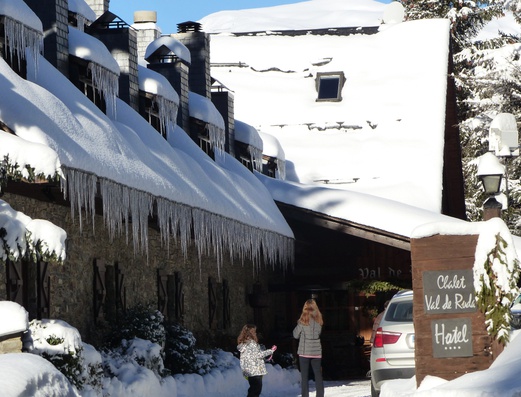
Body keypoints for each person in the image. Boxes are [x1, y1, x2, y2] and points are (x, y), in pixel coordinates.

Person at [293, 299, 324, 397]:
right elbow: (318, 333)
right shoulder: (319, 320)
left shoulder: (303, 321)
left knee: (304, 377)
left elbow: (295, 335)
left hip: (304, 351)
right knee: (318, 376)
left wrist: (299, 324)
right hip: (316, 352)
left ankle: (305, 395)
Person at [237, 324, 277, 397]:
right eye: (254, 331)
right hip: (255, 370)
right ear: (251, 333)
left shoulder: (244, 343)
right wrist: (270, 351)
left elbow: (252, 356)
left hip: (248, 370)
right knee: (256, 390)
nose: (256, 333)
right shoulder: (252, 343)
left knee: (253, 389)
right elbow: (258, 355)